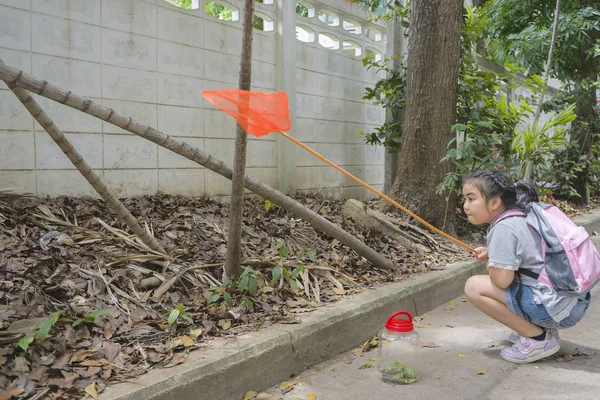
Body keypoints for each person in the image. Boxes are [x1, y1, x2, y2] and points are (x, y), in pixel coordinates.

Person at [462, 169, 592, 363]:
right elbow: (531, 252)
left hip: (557, 309)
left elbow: (502, 281)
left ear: (495, 202)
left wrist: (493, 264)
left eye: (471, 199)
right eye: (465, 199)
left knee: (473, 287)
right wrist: (495, 254)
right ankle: (541, 329)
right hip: (573, 298)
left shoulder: (503, 228)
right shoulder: (522, 212)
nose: (466, 206)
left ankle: (537, 338)